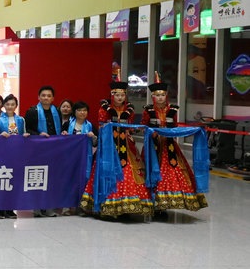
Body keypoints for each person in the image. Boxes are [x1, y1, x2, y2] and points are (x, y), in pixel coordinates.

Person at [80, 77, 153, 218]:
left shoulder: (129, 110)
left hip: (126, 146)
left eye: (122, 95)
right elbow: (101, 127)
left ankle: (128, 205)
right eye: (117, 95)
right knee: (108, 171)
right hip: (109, 146)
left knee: (129, 172)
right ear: (112, 95)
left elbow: (129, 127)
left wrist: (131, 131)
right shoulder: (104, 109)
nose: (120, 98)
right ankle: (107, 204)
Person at [141, 73, 208, 213]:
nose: (160, 98)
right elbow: (143, 127)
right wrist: (151, 132)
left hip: (169, 146)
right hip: (153, 146)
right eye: (157, 95)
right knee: (150, 170)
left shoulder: (172, 110)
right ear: (153, 96)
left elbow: (175, 126)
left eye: (163, 95)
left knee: (171, 170)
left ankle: (166, 202)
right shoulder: (148, 110)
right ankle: (151, 200)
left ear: (166, 95)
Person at [24, 85, 63, 217]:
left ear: (53, 98)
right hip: (38, 150)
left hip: (54, 150)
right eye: (43, 95)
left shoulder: (57, 111)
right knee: (38, 177)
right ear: (38, 97)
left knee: (51, 179)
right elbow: (27, 129)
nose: (46, 98)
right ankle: (36, 207)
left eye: (49, 96)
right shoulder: (32, 111)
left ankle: (49, 207)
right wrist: (39, 134)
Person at [0, 94, 26, 219]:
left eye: (12, 104)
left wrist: (25, 136)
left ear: (16, 106)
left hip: (16, 154)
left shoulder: (21, 120)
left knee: (13, 181)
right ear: (4, 105)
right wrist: (0, 135)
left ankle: (10, 209)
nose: (10, 106)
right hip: (2, 154)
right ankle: (0, 209)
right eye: (7, 104)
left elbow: (23, 134)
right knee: (2, 180)